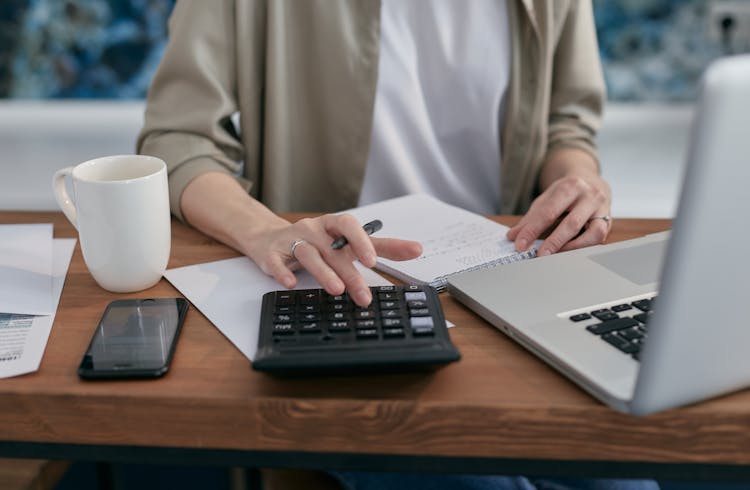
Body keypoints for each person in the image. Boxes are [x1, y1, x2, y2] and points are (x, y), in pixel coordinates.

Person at [138, 1, 655, 489]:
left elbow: (568, 125)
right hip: (341, 295)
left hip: (506, 286)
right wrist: (266, 230)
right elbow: (179, 138)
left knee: (620, 477)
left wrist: (580, 182)